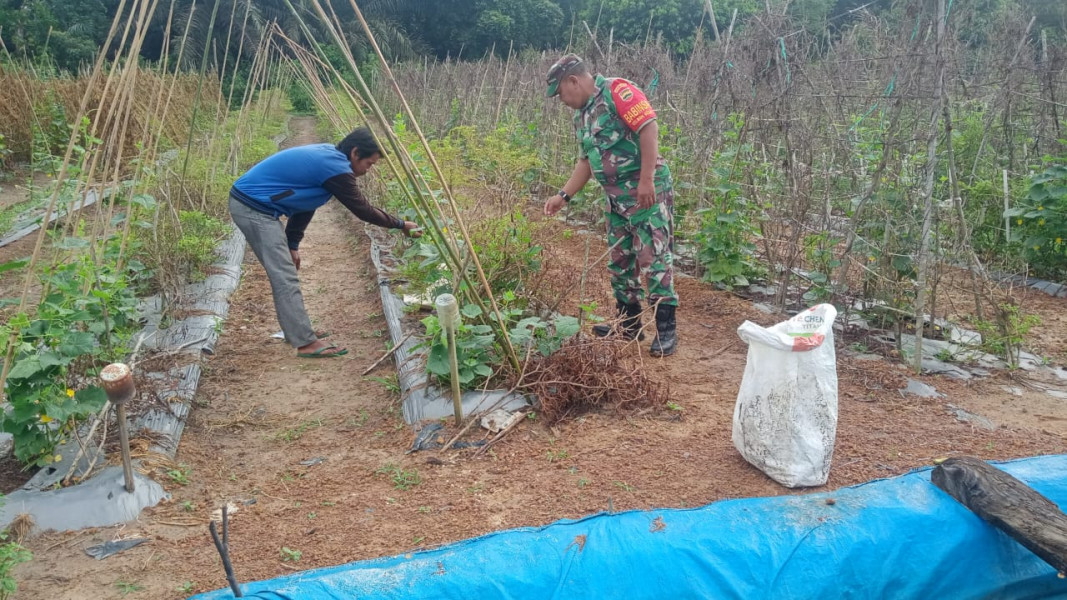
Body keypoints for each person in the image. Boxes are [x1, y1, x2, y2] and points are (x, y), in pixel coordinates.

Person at [229, 127, 420, 358]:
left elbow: (306, 202)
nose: (368, 170)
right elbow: (363, 210)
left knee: (285, 271)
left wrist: (292, 244)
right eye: (369, 163)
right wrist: (401, 225)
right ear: (355, 153)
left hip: (258, 206)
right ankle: (305, 342)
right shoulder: (335, 168)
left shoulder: (330, 159)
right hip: (253, 208)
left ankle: (298, 332)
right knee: (284, 275)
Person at [543, 54, 679, 357]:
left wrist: (647, 180)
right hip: (616, 200)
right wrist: (562, 196)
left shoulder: (618, 92)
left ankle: (666, 330)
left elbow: (648, 127)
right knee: (621, 263)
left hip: (645, 195)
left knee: (653, 259)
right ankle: (629, 325)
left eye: (561, 93)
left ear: (573, 81)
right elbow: (586, 162)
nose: (561, 100)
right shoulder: (583, 114)